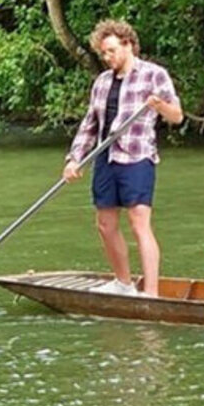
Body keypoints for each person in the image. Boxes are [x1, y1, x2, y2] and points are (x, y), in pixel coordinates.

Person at [62, 19, 183, 298]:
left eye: (111, 51)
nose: (107, 58)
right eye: (103, 53)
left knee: (139, 223)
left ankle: (151, 292)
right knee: (104, 224)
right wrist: (74, 159)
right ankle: (124, 283)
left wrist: (159, 104)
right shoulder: (102, 82)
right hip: (105, 156)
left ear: (128, 45)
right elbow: (90, 124)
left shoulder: (154, 74)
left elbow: (177, 116)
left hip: (137, 155)